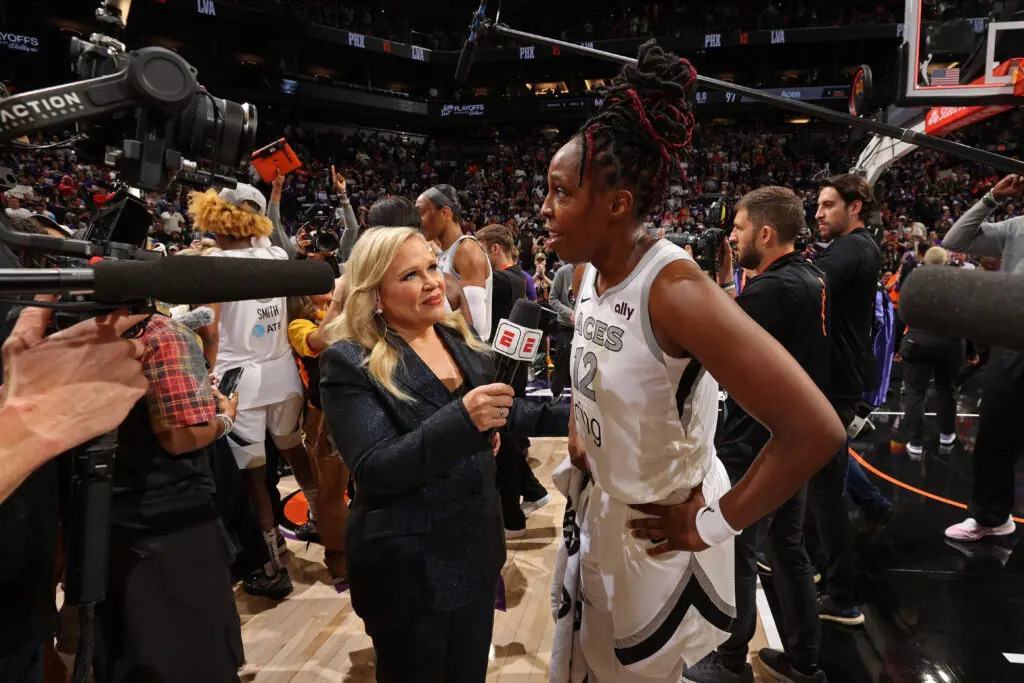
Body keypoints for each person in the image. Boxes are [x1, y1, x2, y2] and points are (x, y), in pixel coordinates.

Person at [545, 40, 845, 683]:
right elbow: (598, 373)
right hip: (599, 513)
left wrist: (712, 524)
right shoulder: (587, 275)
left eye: (559, 192)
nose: (544, 209)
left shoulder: (676, 290)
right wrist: (582, 425)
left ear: (616, 203)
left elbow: (816, 431)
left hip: (657, 536)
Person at [318, 227, 568, 682]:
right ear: (375, 294)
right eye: (411, 275)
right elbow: (374, 468)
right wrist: (462, 421)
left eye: (432, 266)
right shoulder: (348, 361)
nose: (433, 281)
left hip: (475, 554)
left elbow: (506, 409)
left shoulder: (455, 336)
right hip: (408, 571)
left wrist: (580, 417)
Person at [686, 187, 831, 683]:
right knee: (788, 549)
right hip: (791, 437)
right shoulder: (807, 276)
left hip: (756, 441)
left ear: (765, 233)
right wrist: (728, 279)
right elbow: (746, 318)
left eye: (740, 228)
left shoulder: (771, 290)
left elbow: (715, 336)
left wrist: (699, 281)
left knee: (739, 549)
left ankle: (729, 662)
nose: (732, 234)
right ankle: (803, 660)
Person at [95, 313, 243, 683]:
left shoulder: (69, 329)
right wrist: (225, 419)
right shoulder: (160, 333)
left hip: (103, 516)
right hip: (174, 524)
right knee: (194, 653)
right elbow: (180, 438)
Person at [192, 187, 309, 598]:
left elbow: (208, 326)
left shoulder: (214, 266)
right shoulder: (275, 256)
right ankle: (325, 526)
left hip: (239, 380)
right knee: (295, 451)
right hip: (283, 374)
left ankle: (272, 565)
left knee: (254, 477)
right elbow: (265, 239)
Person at [805, 173, 885, 627]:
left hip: (836, 386)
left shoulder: (851, 249)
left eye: (828, 205)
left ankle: (842, 596)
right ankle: (807, 563)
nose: (818, 213)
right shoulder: (858, 248)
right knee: (817, 484)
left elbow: (805, 289)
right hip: (836, 382)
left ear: (854, 207)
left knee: (825, 492)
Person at [941, 173, 1024, 541]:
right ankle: (992, 517)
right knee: (995, 431)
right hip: (1014, 339)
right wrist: (991, 197)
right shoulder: (1017, 227)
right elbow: (954, 240)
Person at [287, 277, 351, 582]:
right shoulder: (298, 325)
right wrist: (340, 297)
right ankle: (338, 556)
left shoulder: (341, 310)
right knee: (331, 490)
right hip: (325, 415)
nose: (329, 281)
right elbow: (324, 340)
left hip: (354, 406)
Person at [897, 247, 963, 459]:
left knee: (916, 392)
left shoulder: (914, 280)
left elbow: (902, 310)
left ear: (924, 260)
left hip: (919, 339)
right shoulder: (956, 280)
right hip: (949, 341)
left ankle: (916, 443)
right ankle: (947, 434)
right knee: (947, 389)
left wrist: (899, 342)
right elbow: (966, 313)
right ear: (945, 261)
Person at [367, 196, 474, 326]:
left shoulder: (360, 291)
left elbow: (470, 340)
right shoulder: (450, 284)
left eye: (432, 268)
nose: (431, 283)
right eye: (410, 276)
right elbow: (471, 338)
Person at [416, 184, 493, 340]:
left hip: (469, 355)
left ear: (445, 213)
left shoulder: (467, 251)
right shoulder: (443, 253)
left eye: (421, 213)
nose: (418, 222)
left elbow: (475, 327)